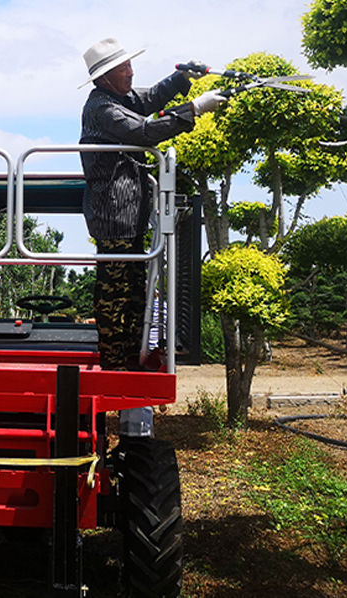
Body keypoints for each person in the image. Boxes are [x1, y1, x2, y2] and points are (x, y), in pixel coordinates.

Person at [79, 38, 225, 371]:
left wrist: (182, 79)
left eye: (130, 65)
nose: (131, 72)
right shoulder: (101, 107)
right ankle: (113, 360)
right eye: (123, 69)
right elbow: (143, 132)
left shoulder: (122, 97)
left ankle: (132, 355)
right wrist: (193, 109)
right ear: (103, 77)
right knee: (114, 290)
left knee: (134, 292)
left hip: (132, 215)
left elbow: (150, 98)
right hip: (112, 215)